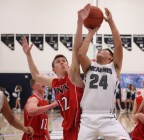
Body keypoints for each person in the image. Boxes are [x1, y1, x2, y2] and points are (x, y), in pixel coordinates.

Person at [20, 4, 91, 140]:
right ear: (53, 69)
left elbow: (76, 49)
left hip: (81, 126)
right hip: (67, 128)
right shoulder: (55, 83)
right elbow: (35, 75)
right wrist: (28, 55)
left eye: (64, 60)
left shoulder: (73, 76)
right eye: (58, 62)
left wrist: (79, 22)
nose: (62, 62)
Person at [77, 7, 130, 140]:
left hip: (107, 118)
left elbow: (118, 45)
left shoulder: (115, 67)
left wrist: (111, 22)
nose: (100, 50)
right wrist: (90, 32)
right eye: (99, 49)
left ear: (111, 57)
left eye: (105, 50)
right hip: (87, 118)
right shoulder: (90, 66)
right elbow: (80, 54)